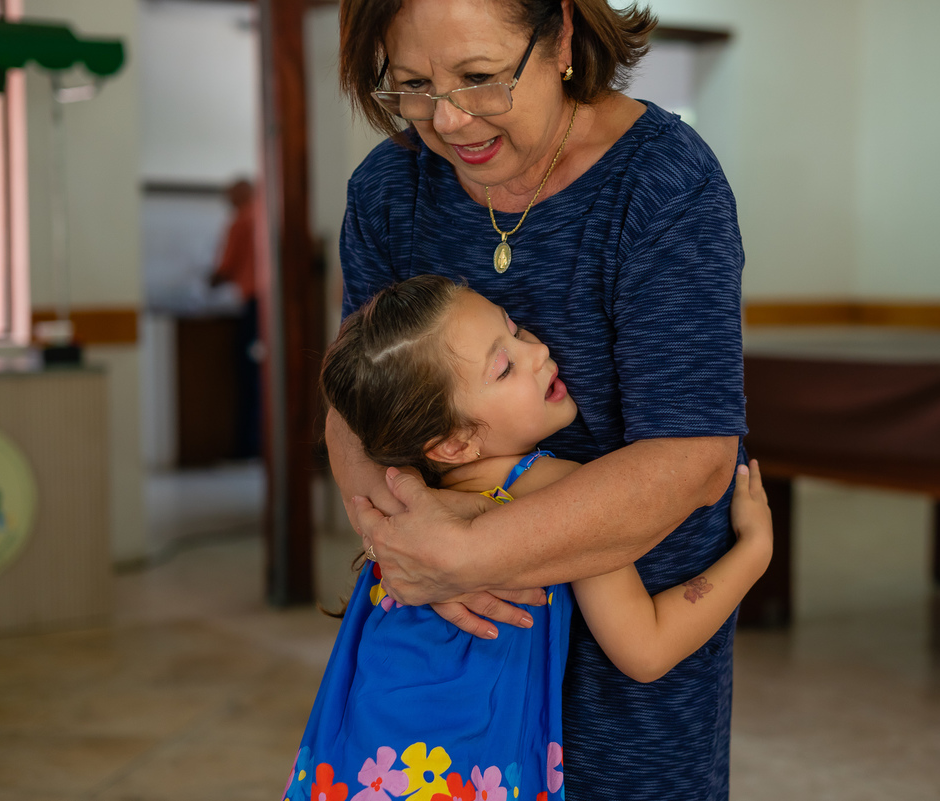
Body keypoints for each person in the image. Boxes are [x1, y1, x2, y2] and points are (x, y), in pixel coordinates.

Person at [329, 0, 746, 797]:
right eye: (412, 85)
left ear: (558, 36)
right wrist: (396, 541)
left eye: (480, 79)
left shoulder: (662, 185)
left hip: (620, 690)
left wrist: (463, 555)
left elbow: (693, 458)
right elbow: (356, 401)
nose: (449, 120)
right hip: (452, 677)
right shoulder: (390, 190)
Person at [286, 276, 771, 801]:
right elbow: (645, 648)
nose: (538, 350)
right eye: (505, 366)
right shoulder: (558, 490)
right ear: (453, 443)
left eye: (514, 330)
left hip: (361, 761)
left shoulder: (398, 514)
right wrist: (753, 552)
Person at [208, 178, 262, 458]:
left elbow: (225, 268)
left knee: (247, 375)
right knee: (263, 374)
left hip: (253, 306)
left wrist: (207, 280)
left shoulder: (241, 221)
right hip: (267, 307)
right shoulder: (263, 215)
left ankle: (248, 444)